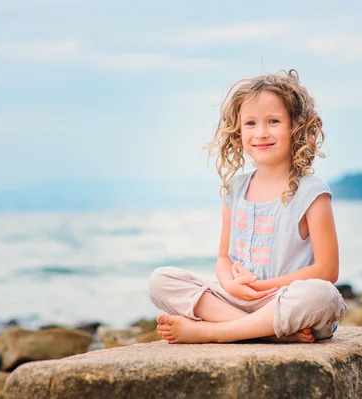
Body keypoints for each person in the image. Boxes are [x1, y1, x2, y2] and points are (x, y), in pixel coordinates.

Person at [148, 69, 347, 344]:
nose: (261, 133)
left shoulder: (311, 192)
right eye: (250, 123)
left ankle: (215, 332)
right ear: (238, 130)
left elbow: (327, 270)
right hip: (237, 301)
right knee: (161, 280)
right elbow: (223, 259)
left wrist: (262, 288)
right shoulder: (236, 189)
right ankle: (264, 332)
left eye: (274, 121)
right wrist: (232, 285)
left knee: (322, 296)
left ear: (296, 127)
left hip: (285, 301)